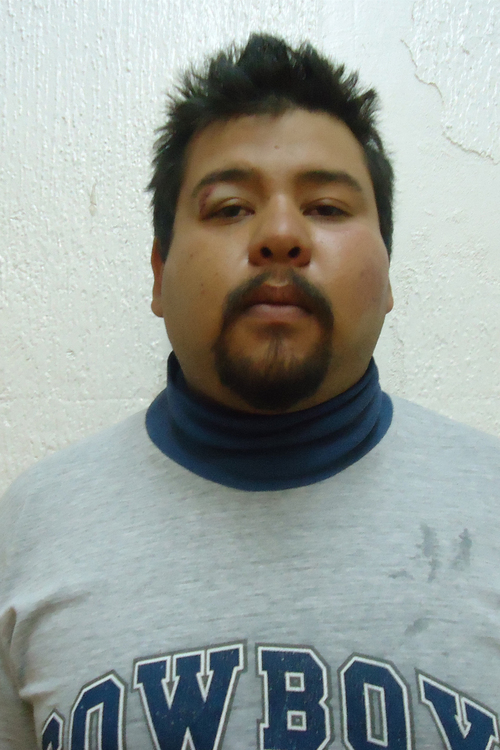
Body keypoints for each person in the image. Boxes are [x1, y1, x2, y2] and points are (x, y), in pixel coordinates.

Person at [1, 33, 499, 750]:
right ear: (159, 274)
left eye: (327, 207)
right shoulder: (29, 533)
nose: (281, 234)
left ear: (388, 274)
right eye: (231, 207)